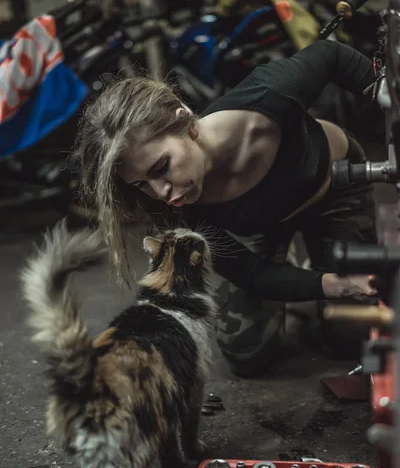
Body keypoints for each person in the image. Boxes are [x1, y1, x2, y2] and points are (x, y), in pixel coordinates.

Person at [75, 39, 378, 377]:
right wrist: (334, 284)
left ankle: (319, 256)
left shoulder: (269, 98)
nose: (160, 191)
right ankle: (288, 257)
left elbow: (332, 54)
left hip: (334, 195)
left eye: (161, 167)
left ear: (187, 123)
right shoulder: (178, 207)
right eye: (142, 183)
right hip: (261, 225)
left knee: (352, 338)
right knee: (248, 356)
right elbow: (253, 274)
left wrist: (386, 100)